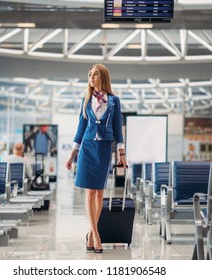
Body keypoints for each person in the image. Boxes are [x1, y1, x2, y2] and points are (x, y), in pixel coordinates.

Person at [65, 64, 127, 254]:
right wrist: (72, 154)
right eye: (90, 74)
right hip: (87, 148)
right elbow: (80, 129)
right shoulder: (86, 101)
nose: (92, 77)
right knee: (90, 193)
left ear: (103, 77)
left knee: (100, 193)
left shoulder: (114, 101)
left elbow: (117, 129)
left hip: (103, 149)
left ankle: (91, 233)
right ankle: (96, 235)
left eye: (96, 74)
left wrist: (122, 153)